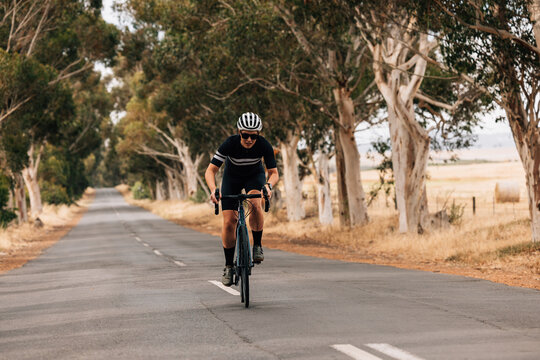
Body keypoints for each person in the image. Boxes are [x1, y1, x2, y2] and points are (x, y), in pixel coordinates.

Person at [205, 112, 279, 286]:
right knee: (229, 221)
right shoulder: (229, 144)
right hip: (232, 178)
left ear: (258, 134)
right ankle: (229, 266)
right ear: (239, 132)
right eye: (245, 135)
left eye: (253, 136)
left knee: (255, 202)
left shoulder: (263, 145)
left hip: (254, 176)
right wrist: (213, 189)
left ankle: (257, 245)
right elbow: (211, 170)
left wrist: (268, 186)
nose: (249, 139)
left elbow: (273, 173)